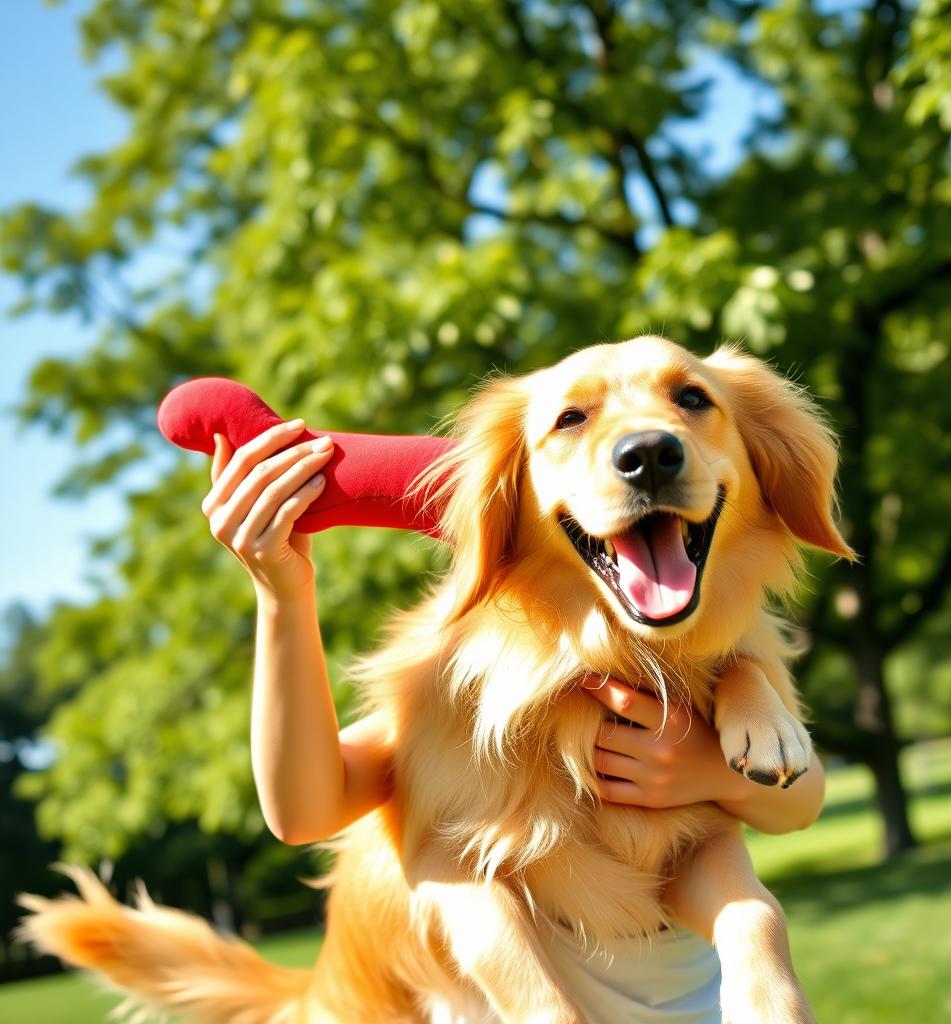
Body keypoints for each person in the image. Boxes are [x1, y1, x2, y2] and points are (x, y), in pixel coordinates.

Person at [202, 418, 826, 1022]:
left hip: (677, 987)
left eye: (691, 399)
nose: (649, 440)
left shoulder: (738, 659)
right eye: (572, 419)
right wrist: (282, 592)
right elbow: (306, 812)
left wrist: (713, 774)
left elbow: (794, 806)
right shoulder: (453, 669)